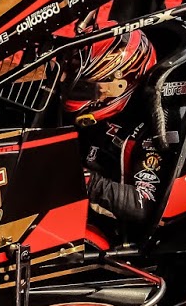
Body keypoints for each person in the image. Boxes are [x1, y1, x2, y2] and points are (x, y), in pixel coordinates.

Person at [63, 23, 165, 231]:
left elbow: (142, 203)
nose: (78, 95)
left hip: (112, 234)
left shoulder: (146, 133)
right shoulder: (92, 119)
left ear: (121, 84)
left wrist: (83, 180)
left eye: (87, 88)